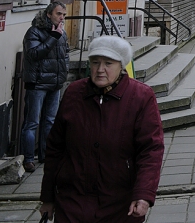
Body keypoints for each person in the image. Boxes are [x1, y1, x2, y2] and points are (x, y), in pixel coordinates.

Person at [40, 35, 164, 222]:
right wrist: (48, 197)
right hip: (72, 202)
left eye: (108, 63)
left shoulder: (141, 96)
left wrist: (143, 194)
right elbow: (55, 148)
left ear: (121, 66)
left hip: (119, 204)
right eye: (95, 62)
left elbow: (151, 150)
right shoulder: (74, 93)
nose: (100, 69)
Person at [21, 2, 69, 173]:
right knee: (32, 123)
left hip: (55, 83)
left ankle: (46, 155)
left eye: (64, 14)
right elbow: (34, 54)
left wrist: (64, 73)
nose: (62, 18)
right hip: (37, 83)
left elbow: (65, 54)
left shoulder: (62, 33)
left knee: (50, 121)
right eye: (59, 14)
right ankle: (28, 159)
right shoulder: (34, 31)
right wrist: (53, 37)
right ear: (49, 14)